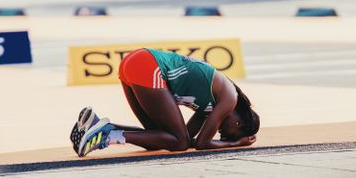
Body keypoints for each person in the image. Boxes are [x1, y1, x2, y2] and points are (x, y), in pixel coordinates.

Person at [70, 48, 260, 156]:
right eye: (226, 134)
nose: (220, 131)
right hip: (148, 66)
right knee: (178, 143)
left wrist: (190, 140)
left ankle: (101, 127)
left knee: (160, 139)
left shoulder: (213, 105)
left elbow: (188, 136)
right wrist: (235, 143)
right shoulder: (229, 99)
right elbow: (202, 143)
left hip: (136, 62)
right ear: (239, 123)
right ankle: (105, 136)